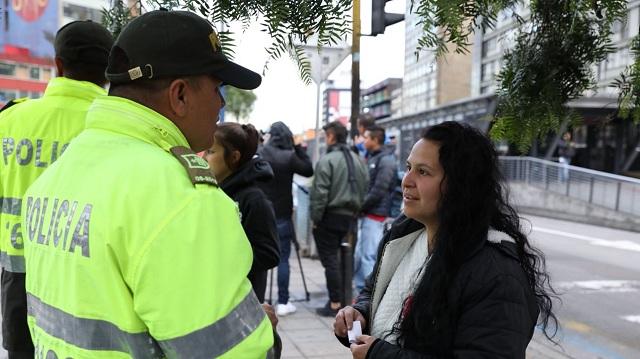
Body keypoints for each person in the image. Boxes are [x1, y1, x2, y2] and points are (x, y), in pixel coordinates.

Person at [20, 10, 275, 357]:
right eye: (217, 88)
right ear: (180, 95)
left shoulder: (58, 174)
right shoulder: (182, 199)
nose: (221, 104)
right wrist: (262, 336)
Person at [334, 121, 558, 358]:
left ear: (460, 185)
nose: (406, 181)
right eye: (409, 167)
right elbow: (374, 289)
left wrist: (380, 355)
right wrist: (360, 314)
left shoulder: (495, 273)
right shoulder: (403, 235)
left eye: (423, 172)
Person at [0, 20, 114, 359]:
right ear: (109, 68)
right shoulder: (116, 127)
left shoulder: (10, 120)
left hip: (18, 275)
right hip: (87, 281)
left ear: (59, 65)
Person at [206, 122, 280, 302]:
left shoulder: (254, 199)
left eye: (211, 152)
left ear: (234, 156)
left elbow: (269, 253)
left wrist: (223, 258)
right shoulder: (212, 191)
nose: (204, 158)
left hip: (243, 300)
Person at [310, 121, 368, 317]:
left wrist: (315, 218)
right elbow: (365, 188)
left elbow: (320, 193)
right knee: (346, 259)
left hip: (329, 216)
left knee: (330, 261)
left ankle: (335, 303)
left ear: (332, 137)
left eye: (326, 136)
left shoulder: (328, 160)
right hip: (351, 218)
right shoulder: (358, 159)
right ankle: (345, 299)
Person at [258, 121, 313, 316]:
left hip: (262, 214)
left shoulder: (261, 153)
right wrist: (297, 146)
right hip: (282, 214)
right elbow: (308, 169)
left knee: (259, 258)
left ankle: (257, 301)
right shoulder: (289, 157)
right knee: (283, 259)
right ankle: (282, 302)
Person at [354, 125, 398, 294]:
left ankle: (367, 295)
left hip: (376, 215)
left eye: (366, 138)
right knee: (361, 255)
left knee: (367, 257)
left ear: (375, 140)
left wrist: (361, 206)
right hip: (370, 213)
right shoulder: (374, 157)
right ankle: (360, 291)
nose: (363, 141)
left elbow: (379, 189)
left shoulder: (385, 160)